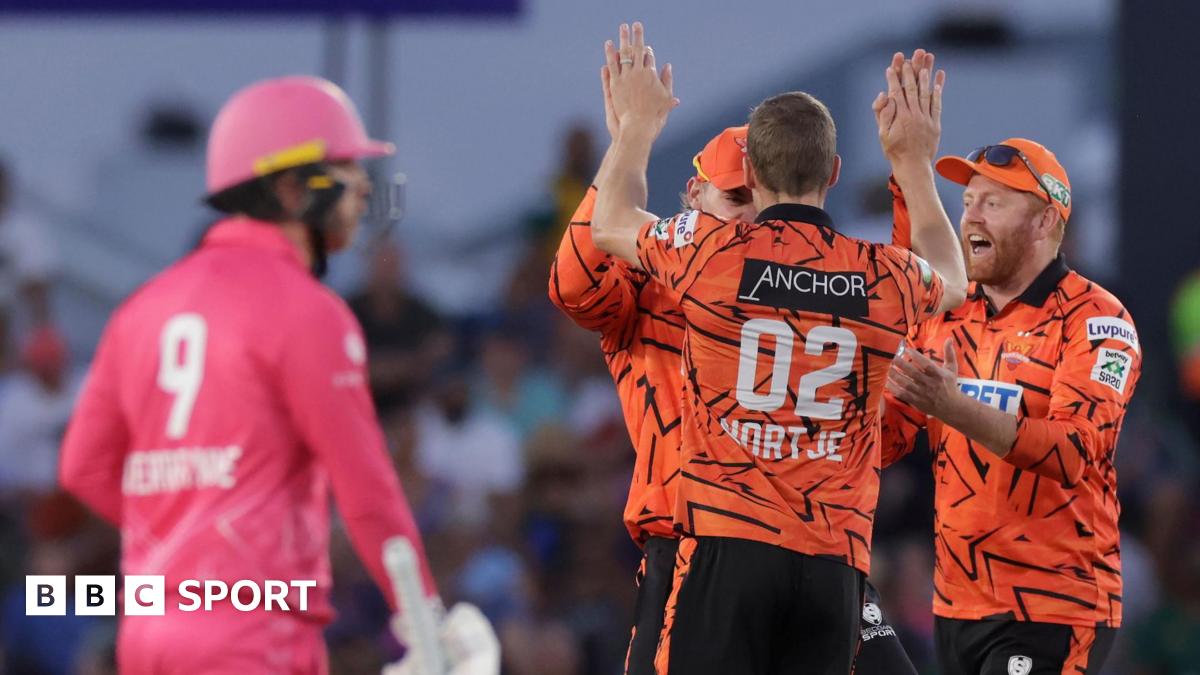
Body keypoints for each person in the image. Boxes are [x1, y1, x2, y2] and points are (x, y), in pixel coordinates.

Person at [58, 75, 496, 675]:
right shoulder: (308, 311)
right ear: (292, 189)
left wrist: (189, 538)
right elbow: (368, 492)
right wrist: (427, 622)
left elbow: (83, 468)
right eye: (345, 170)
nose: (364, 189)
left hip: (149, 634)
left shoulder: (140, 310)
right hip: (254, 638)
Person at [591, 23, 967, 675]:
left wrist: (635, 128)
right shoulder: (883, 275)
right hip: (833, 564)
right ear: (835, 172)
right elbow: (952, 277)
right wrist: (912, 161)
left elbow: (611, 223)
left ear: (755, 173)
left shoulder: (708, 252)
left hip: (728, 548)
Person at [881, 137, 1141, 674]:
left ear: (1045, 221)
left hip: (1054, 603)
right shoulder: (946, 316)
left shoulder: (1097, 320)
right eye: (968, 200)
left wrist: (952, 406)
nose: (971, 215)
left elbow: (1073, 451)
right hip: (956, 603)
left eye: (992, 203)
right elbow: (888, 439)